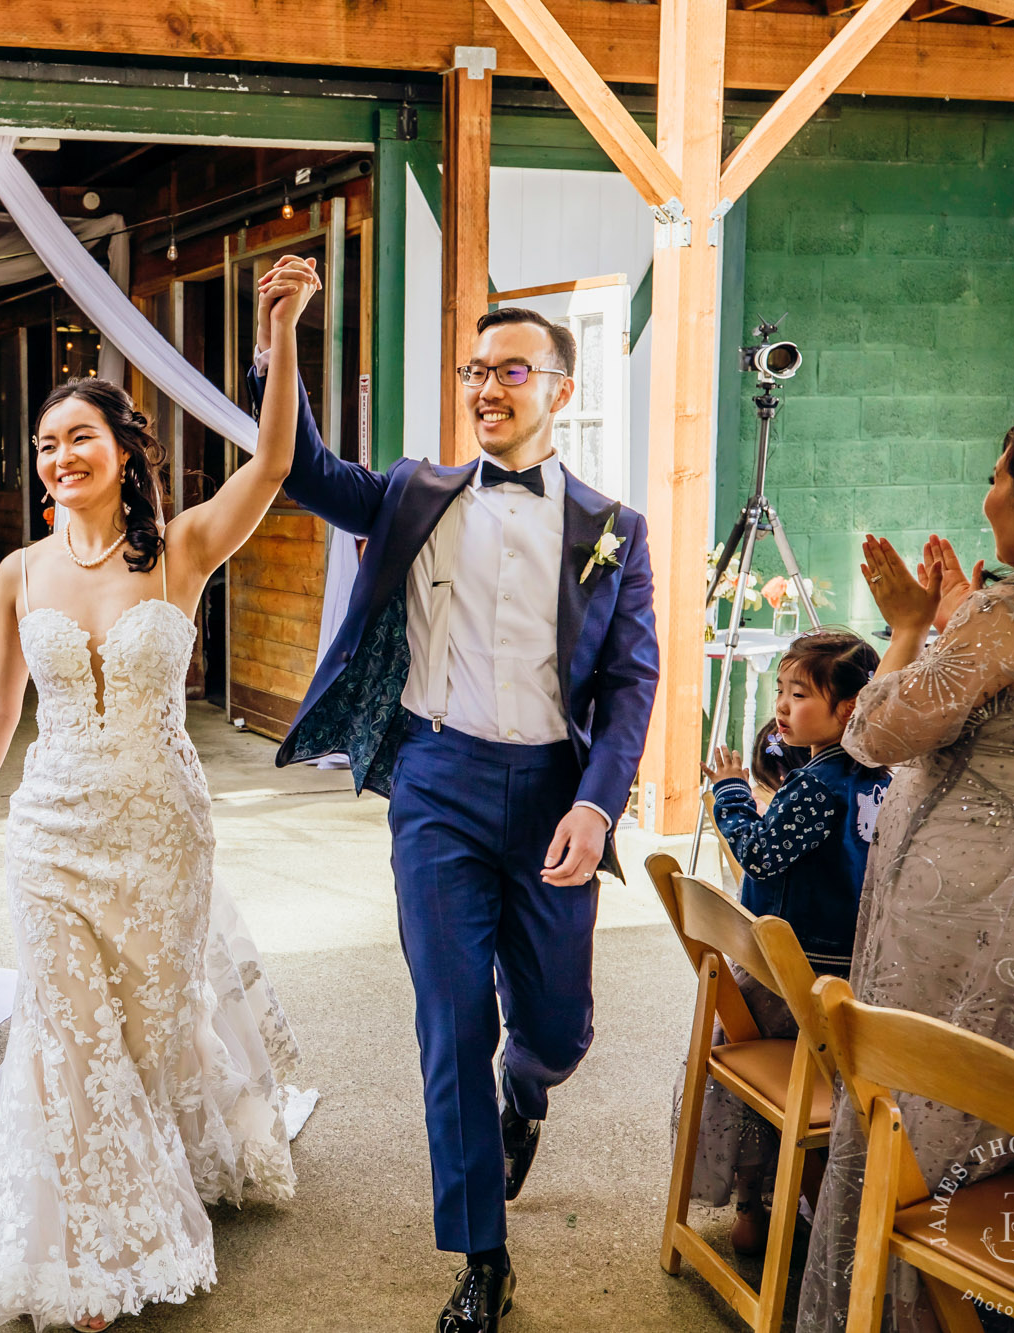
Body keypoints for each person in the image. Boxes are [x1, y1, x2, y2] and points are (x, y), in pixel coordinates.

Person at [255, 272, 659, 1333]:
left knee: (556, 1026)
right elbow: (296, 467)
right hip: (435, 783)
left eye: (509, 371)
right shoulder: (411, 493)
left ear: (558, 391)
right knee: (448, 1019)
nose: (486, 388)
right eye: (474, 371)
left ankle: (526, 1091)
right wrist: (281, 335)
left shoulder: (614, 527)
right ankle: (481, 1254)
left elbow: (628, 681)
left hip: (553, 801)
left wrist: (599, 805)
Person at [0, 258, 321, 1331]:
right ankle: (92, 1250)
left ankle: (164, 1159)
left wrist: (281, 332)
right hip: (53, 828)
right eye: (46, 445)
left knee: (148, 1035)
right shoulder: (19, 570)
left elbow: (277, 457)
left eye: (80, 440)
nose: (60, 458)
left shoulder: (184, 549)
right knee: (63, 1037)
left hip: (162, 829)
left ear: (122, 454)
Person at [795, 410, 1014, 1333]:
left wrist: (910, 627)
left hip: (978, 927)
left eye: (998, 476)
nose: (986, 493)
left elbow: (870, 732)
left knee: (933, 1118)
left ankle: (924, 1301)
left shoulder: (1009, 618)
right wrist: (954, 625)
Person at [692, 630, 888, 1254]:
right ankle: (819, 1202)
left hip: (789, 984)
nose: (782, 704)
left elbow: (758, 853)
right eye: (781, 689)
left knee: (747, 1077)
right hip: (855, 980)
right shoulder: (884, 778)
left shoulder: (815, 785)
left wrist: (729, 792)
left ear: (847, 710)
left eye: (799, 693)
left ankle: (753, 1209)